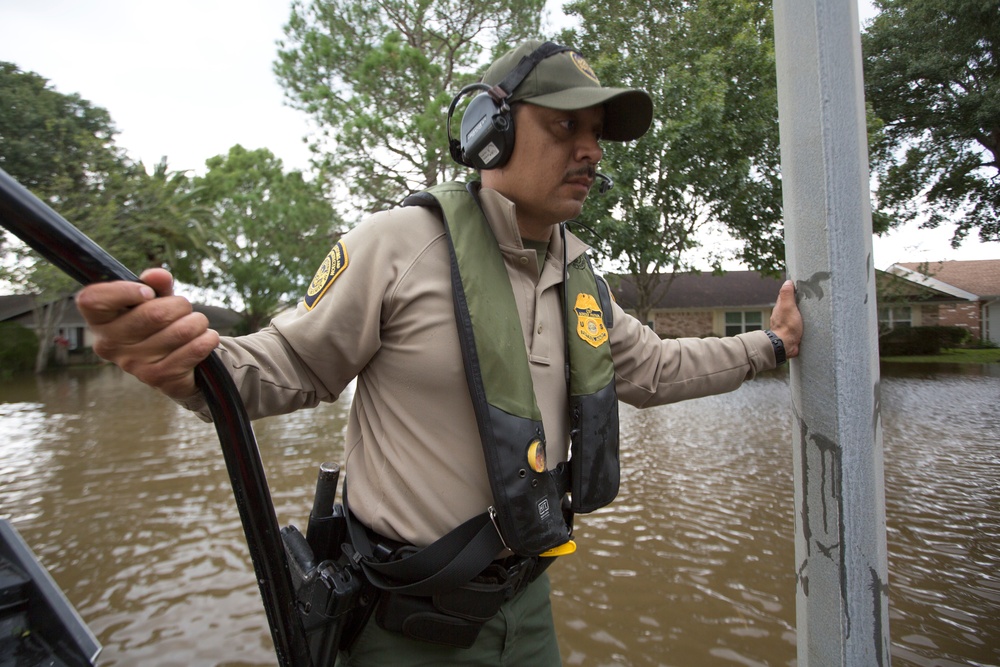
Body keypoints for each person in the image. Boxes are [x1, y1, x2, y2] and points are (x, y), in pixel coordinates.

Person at [75, 40, 802, 666]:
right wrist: (186, 361)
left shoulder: (579, 278)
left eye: (596, 132)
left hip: (529, 609)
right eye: (564, 126)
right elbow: (279, 369)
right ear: (492, 133)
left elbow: (656, 368)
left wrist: (769, 344)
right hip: (405, 627)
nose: (590, 150)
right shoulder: (398, 244)